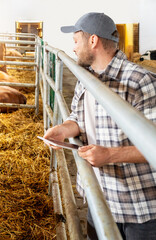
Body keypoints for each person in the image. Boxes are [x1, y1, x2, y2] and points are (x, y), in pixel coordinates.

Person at [44, 12, 156, 240]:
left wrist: (111, 155)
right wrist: (63, 130)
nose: (73, 48)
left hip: (138, 207)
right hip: (97, 197)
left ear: (92, 41)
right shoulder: (85, 77)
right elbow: (77, 116)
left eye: (76, 41)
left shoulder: (140, 81)